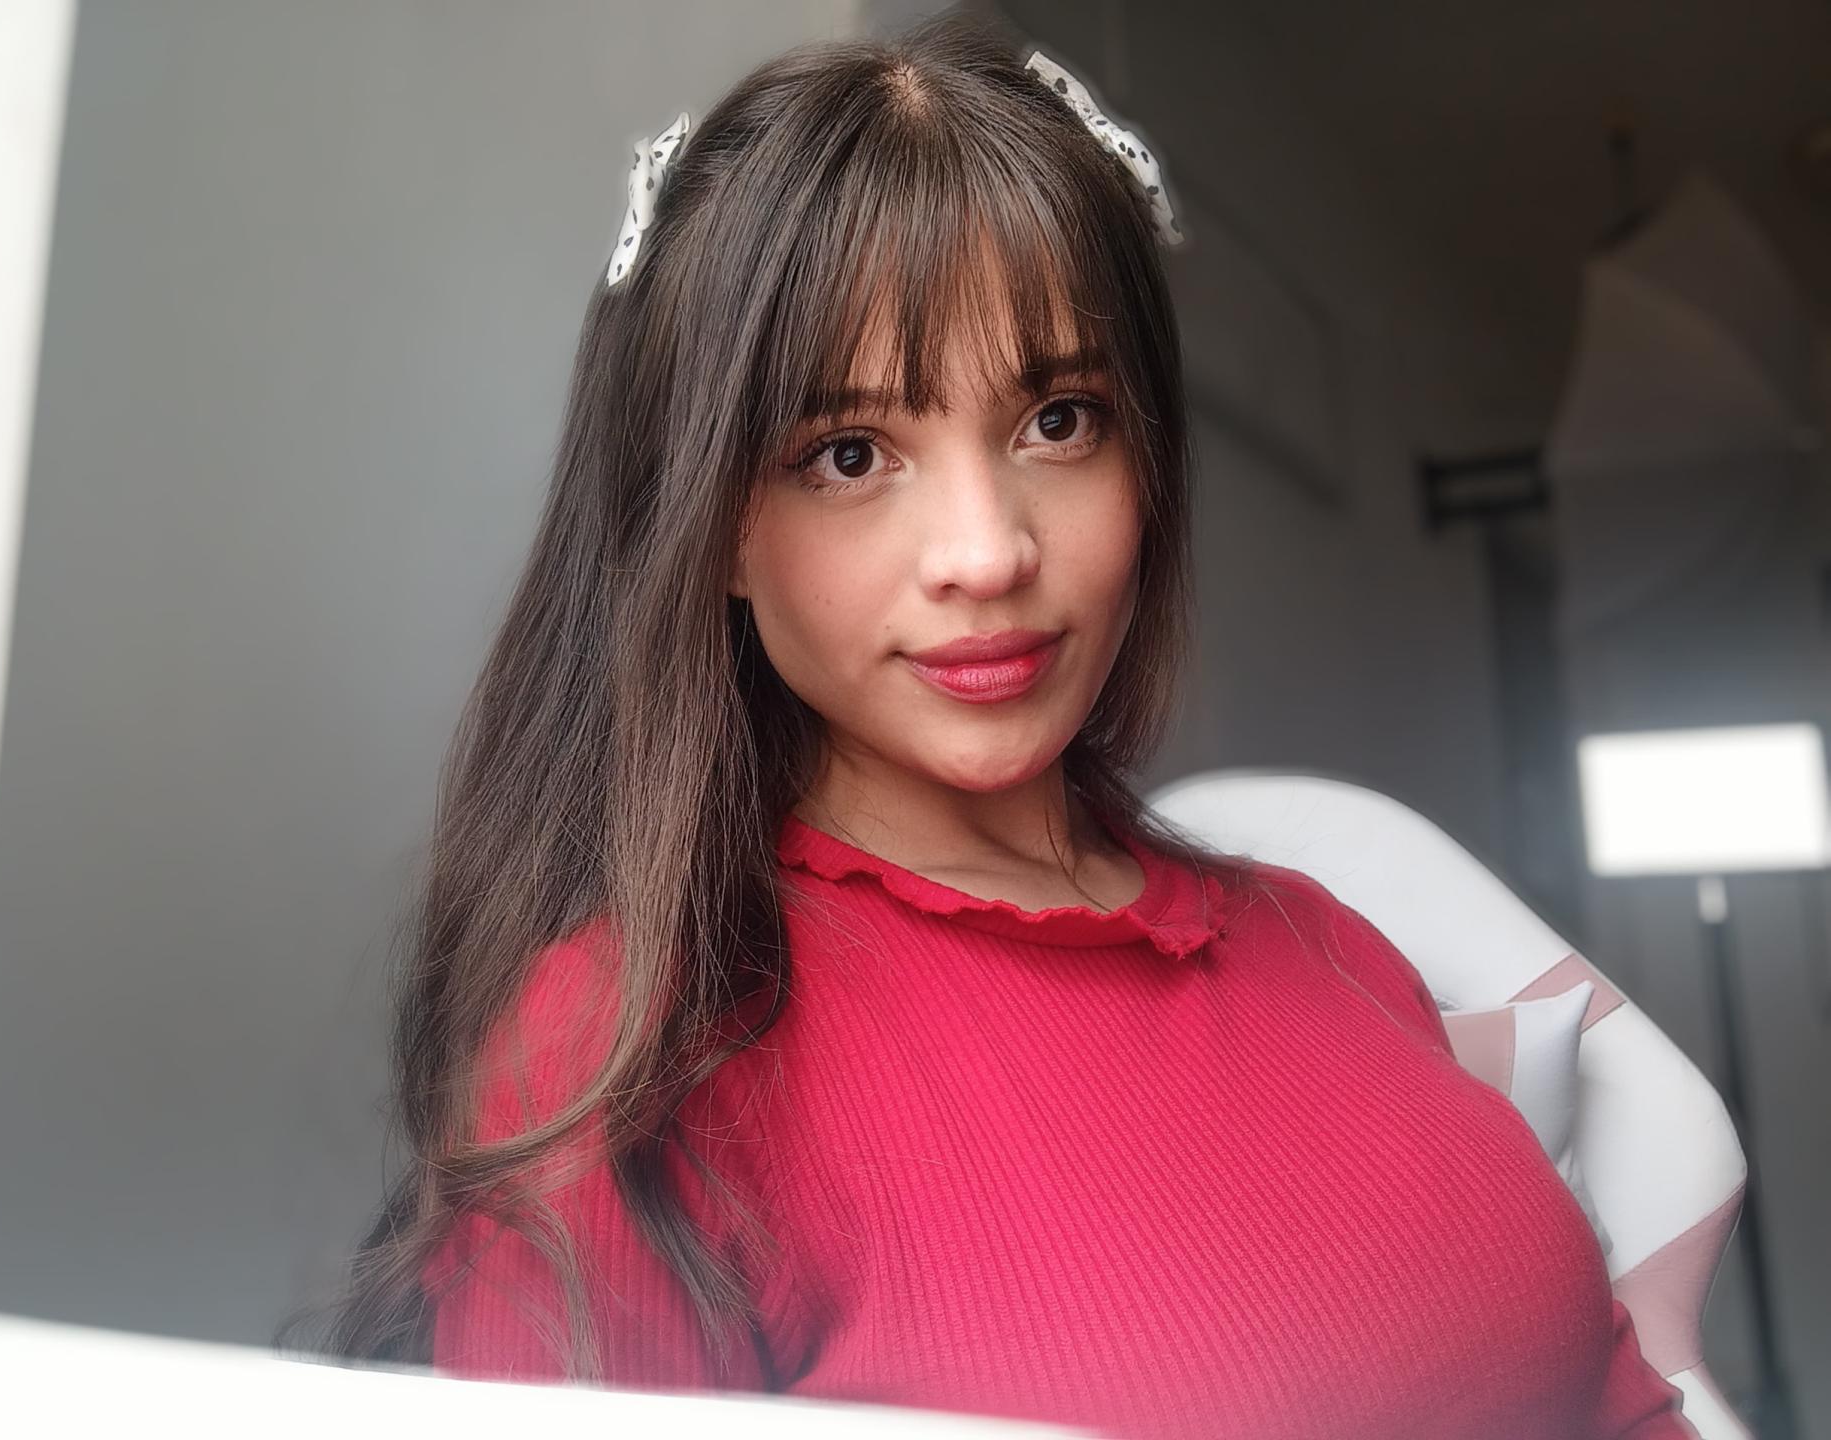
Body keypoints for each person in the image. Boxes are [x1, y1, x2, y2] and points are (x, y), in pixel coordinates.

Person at [283, 13, 1699, 1438]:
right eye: (849, 454)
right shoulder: (627, 1061)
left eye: (1059, 421)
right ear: (709, 526)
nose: (986, 551)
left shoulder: (1326, 942)